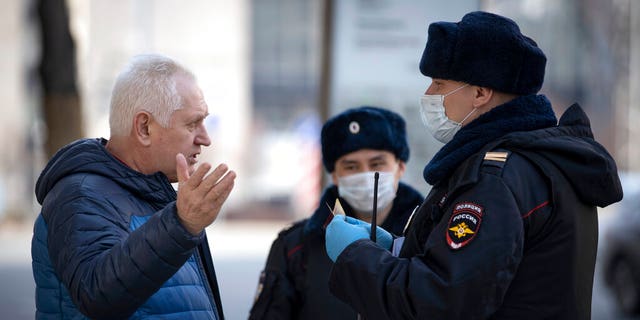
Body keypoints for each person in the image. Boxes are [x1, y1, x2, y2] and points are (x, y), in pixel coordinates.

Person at [324, 11, 624, 320]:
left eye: (439, 83)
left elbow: (440, 301)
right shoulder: (537, 162)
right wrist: (399, 249)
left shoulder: (495, 180)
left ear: (480, 93)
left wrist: (356, 255)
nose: (428, 94)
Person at [31, 54, 236, 319]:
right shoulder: (81, 195)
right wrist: (181, 224)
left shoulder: (154, 192)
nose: (205, 139)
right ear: (144, 128)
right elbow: (97, 294)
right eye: (192, 123)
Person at [248, 106, 424, 319]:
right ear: (334, 176)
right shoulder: (296, 247)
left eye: (377, 163)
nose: (366, 175)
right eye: (351, 167)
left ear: (400, 167)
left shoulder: (428, 240)